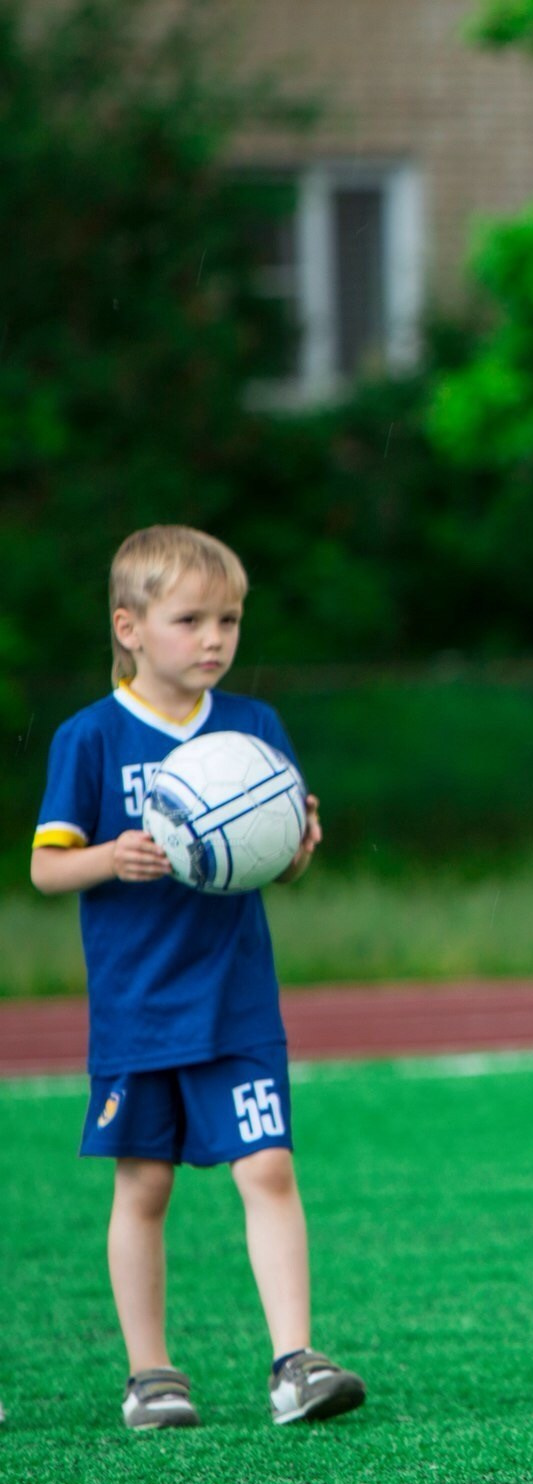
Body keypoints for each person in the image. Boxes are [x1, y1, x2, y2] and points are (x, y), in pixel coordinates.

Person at [31, 525, 361, 1430]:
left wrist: (295, 850)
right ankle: (151, 1375)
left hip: (238, 1000)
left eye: (229, 620)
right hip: (139, 1011)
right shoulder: (90, 738)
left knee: (269, 1167)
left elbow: (278, 864)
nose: (214, 639)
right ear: (129, 627)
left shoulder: (254, 728)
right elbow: (46, 870)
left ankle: (295, 1361)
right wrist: (112, 857)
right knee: (145, 1187)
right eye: (190, 620)